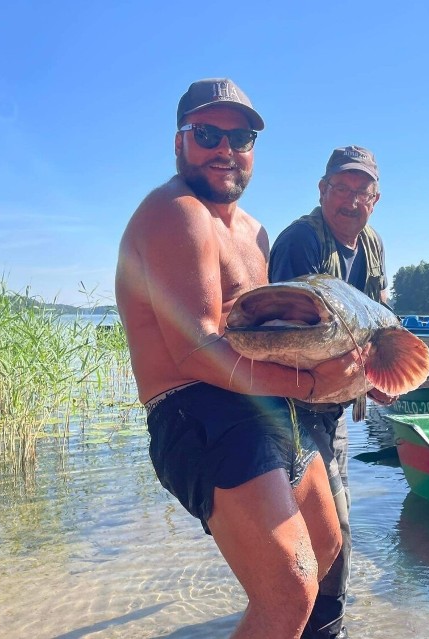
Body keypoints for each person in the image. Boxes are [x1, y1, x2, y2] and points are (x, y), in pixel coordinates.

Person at [115, 78, 368, 639]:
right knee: (290, 587)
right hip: (197, 411)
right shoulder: (176, 212)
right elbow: (197, 348)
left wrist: (336, 366)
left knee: (324, 548)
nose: (225, 149)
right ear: (178, 142)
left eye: (242, 136)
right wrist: (311, 387)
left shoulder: (255, 233)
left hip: (266, 409)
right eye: (207, 133)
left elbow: (278, 332)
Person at [268, 145, 392, 639]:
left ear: (375, 200)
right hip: (290, 407)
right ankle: (324, 628)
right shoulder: (300, 241)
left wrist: (382, 374)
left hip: (336, 409)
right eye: (340, 188)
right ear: (322, 190)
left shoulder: (372, 245)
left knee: (326, 533)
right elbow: (287, 334)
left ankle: (306, 619)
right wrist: (361, 373)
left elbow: (379, 317)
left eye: (361, 192)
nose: (350, 201)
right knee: (332, 533)